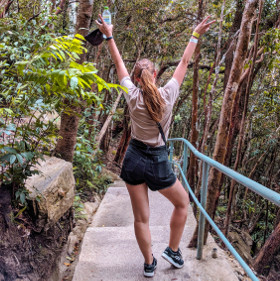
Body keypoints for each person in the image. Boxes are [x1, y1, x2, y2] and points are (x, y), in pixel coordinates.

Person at [96, 14, 215, 278]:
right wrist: (195, 34)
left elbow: (118, 63)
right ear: (155, 74)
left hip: (135, 158)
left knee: (141, 219)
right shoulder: (168, 94)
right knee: (183, 203)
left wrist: (110, 35)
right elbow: (185, 62)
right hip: (159, 161)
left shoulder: (132, 95)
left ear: (137, 79)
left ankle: (149, 264)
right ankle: (173, 250)